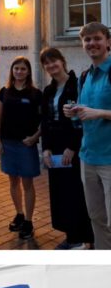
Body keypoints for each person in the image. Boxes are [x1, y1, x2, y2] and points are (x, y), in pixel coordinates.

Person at [39, 47, 92, 249]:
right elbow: (45, 120)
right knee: (59, 192)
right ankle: (71, 235)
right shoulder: (48, 90)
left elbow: (80, 121)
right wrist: (46, 149)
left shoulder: (77, 85)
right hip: (55, 147)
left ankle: (82, 237)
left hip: (73, 146)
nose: (51, 66)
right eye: (47, 63)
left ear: (62, 61)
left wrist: (72, 147)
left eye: (54, 61)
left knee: (76, 192)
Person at [66, 22, 111, 248]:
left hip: (110, 159)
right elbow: (84, 115)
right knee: (96, 218)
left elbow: (95, 113)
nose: (92, 43)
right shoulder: (84, 76)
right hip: (88, 156)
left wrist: (99, 113)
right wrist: (73, 112)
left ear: (108, 42)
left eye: (97, 38)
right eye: (87, 40)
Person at [0, 56, 43, 240]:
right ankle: (19, 214)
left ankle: (29, 221)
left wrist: (35, 137)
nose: (19, 72)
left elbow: (43, 120)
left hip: (26, 144)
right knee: (13, 181)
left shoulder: (35, 94)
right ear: (12, 71)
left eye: (23, 69)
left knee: (27, 184)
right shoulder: (4, 92)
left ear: (28, 71)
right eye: (16, 68)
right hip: (7, 143)